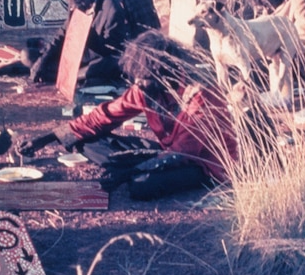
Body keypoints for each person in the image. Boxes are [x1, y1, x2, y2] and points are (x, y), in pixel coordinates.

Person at [18, 30, 237, 200]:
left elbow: (184, 152)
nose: (137, 84)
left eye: (143, 78)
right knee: (86, 140)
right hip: (168, 152)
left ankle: (128, 171)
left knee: (142, 185)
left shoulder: (200, 95)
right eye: (135, 77)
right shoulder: (145, 89)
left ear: (164, 72)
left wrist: (128, 173)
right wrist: (47, 138)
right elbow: (103, 116)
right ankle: (128, 169)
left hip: (204, 163)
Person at [27, 0, 137, 87]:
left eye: (74, 0)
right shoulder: (77, 4)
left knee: (109, 65)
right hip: (74, 57)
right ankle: (64, 74)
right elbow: (62, 34)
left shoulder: (111, 8)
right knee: (27, 55)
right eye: (70, 0)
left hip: (96, 59)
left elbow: (112, 49)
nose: (72, 4)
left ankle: (65, 76)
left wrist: (86, 34)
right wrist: (43, 60)